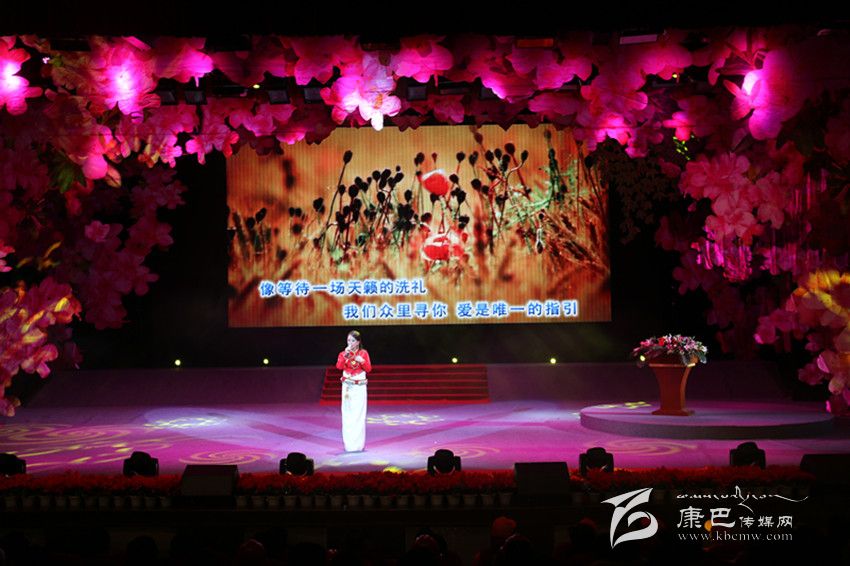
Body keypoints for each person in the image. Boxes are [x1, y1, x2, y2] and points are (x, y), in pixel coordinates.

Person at [336, 330, 371, 452]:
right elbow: (339, 367)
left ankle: (359, 445)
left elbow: (368, 369)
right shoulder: (343, 353)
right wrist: (345, 356)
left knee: (358, 414)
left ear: (358, 342)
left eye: (352, 341)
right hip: (347, 387)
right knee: (348, 415)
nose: (350, 343)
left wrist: (362, 361)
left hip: (359, 387)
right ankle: (349, 445)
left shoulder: (363, 353)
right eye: (348, 340)